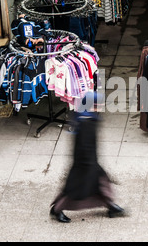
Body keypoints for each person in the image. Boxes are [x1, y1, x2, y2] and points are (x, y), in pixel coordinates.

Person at [50, 92, 126, 223]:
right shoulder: (86, 122)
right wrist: (89, 165)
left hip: (90, 162)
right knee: (76, 189)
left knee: (99, 185)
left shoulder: (87, 117)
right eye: (98, 105)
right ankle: (57, 209)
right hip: (85, 164)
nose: (100, 107)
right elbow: (84, 146)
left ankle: (111, 206)